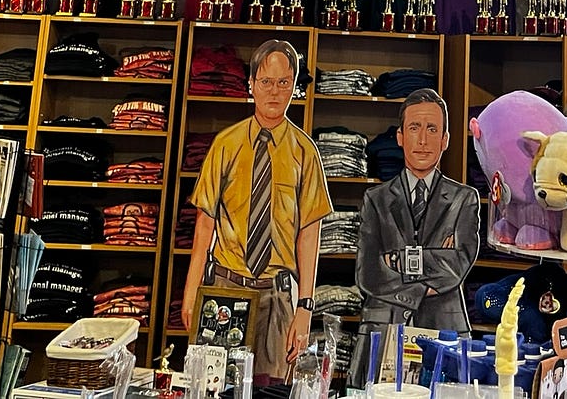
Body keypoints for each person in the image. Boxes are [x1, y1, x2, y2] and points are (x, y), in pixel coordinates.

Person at [184, 40, 331, 383]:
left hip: (277, 296)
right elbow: (205, 224)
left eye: (283, 82)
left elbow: (310, 234)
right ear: (251, 84)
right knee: (215, 386)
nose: (274, 92)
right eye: (266, 81)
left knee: (272, 388)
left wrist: (305, 307)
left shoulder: (305, 153)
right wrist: (191, 292)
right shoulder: (226, 144)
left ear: (294, 87)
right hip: (225, 288)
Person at [353, 88, 480, 385]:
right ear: (400, 137)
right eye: (414, 128)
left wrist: (397, 261)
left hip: (444, 330)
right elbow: (368, 272)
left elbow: (457, 266)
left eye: (432, 129)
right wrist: (433, 266)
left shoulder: (464, 199)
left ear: (445, 140)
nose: (422, 140)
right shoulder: (375, 199)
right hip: (383, 330)